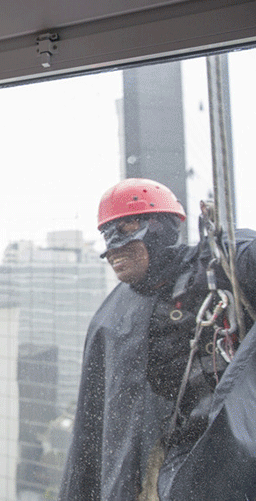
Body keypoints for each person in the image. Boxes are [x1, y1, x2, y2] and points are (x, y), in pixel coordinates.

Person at [59, 178, 256, 501]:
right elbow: (94, 436)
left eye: (127, 227)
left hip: (240, 436)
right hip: (180, 458)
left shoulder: (218, 264)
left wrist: (234, 248)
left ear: (160, 228)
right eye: (106, 235)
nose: (112, 249)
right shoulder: (112, 318)